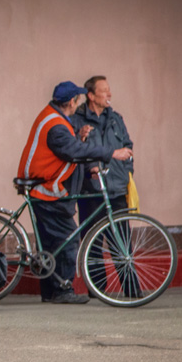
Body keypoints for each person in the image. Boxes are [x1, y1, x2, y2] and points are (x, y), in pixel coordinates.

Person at [17, 81, 133, 304]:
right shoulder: (56, 125)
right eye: (77, 99)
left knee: (52, 244)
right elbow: (73, 151)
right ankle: (62, 290)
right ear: (72, 101)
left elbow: (67, 148)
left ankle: (51, 291)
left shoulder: (54, 118)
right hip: (49, 189)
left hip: (46, 187)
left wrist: (78, 137)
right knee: (68, 238)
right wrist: (111, 153)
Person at [70, 76, 136, 293]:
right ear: (91, 95)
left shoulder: (116, 119)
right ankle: (97, 290)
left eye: (109, 90)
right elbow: (71, 151)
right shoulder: (77, 120)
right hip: (91, 189)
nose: (109, 94)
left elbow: (127, 146)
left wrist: (127, 172)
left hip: (116, 187)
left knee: (122, 241)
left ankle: (131, 289)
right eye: (104, 90)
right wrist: (79, 138)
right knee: (93, 241)